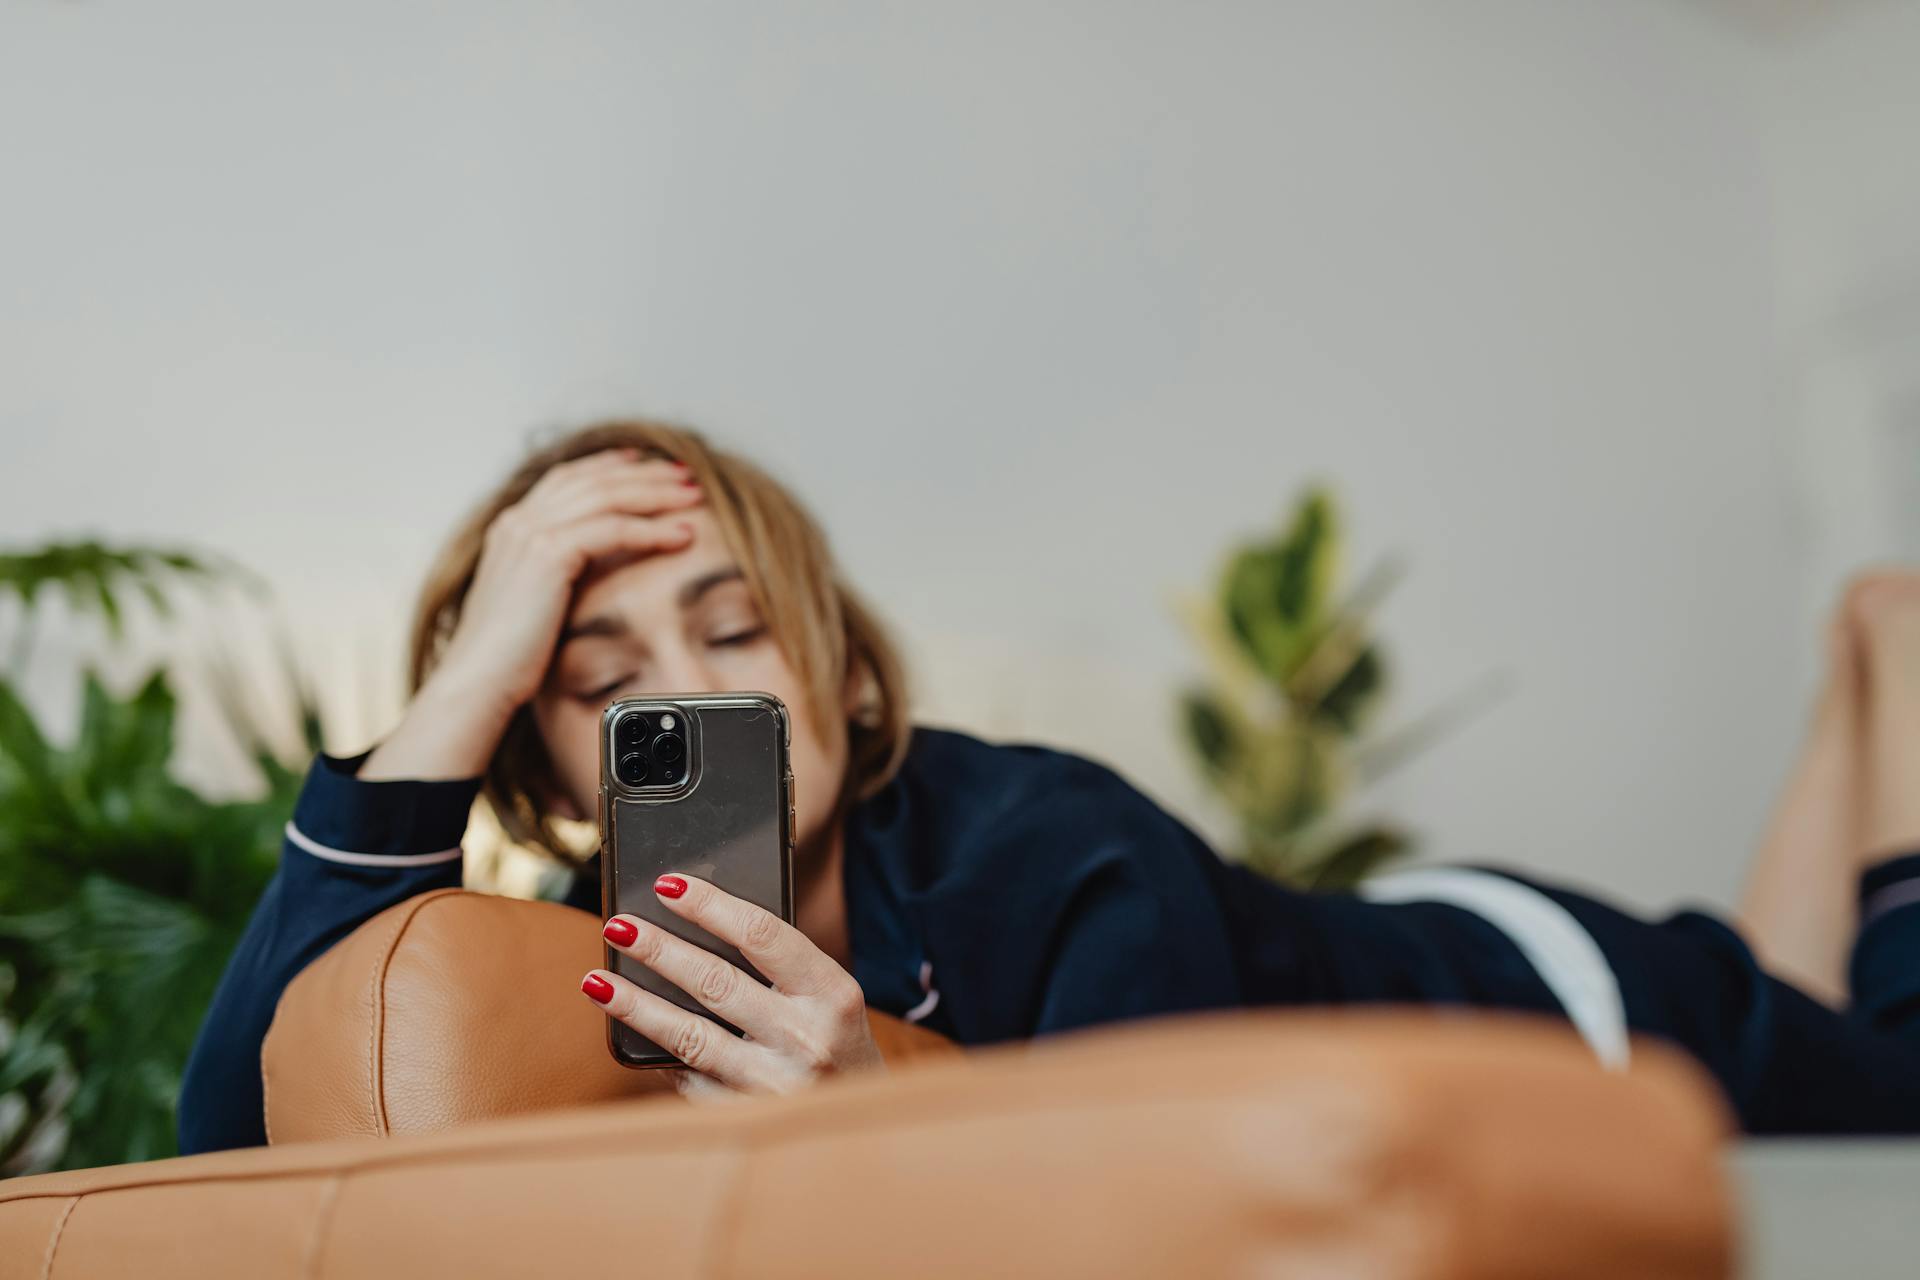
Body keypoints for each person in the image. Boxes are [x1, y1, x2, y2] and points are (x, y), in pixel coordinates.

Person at [178, 420, 1920, 1152]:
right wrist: (463, 683)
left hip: (1542, 995)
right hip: (1402, 942)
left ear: (848, 675)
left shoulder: (1045, 842)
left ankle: (1902, 650)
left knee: (1888, 1078)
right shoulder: (604, 951)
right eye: (598, 680)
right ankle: (1861, 668)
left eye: (735, 627)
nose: (688, 695)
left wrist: (880, 1117)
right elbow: (242, 1138)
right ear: (547, 766)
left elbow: (1150, 1199)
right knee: (1806, 999)